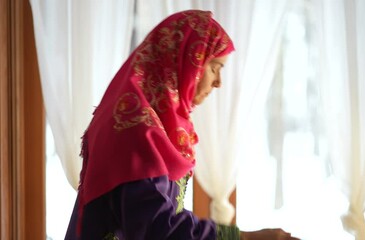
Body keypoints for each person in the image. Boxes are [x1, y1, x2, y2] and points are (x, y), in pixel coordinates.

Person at [65, 9, 299, 240]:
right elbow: (158, 229)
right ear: (186, 60)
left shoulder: (155, 124)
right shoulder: (135, 129)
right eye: (215, 67)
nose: (218, 82)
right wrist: (244, 238)